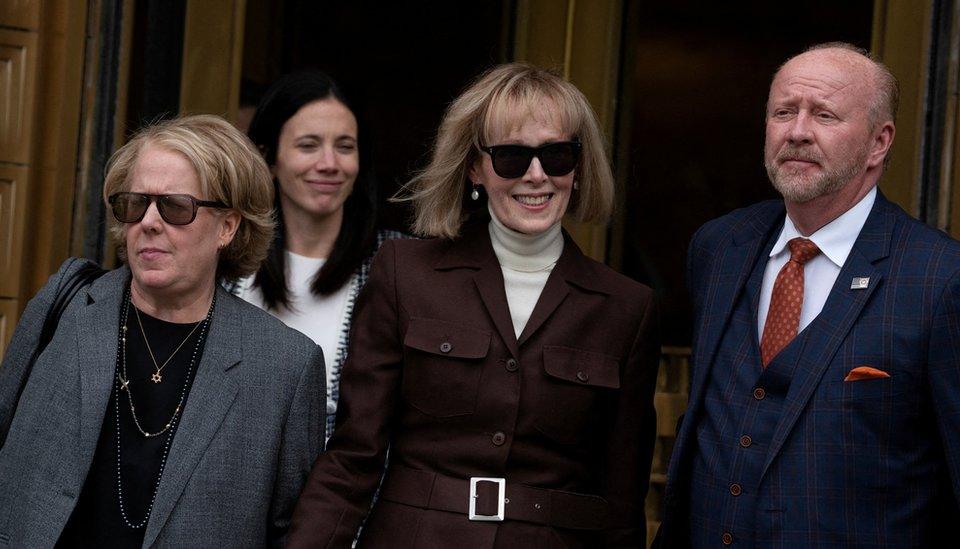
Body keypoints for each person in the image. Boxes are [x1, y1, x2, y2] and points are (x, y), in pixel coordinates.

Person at [287, 63, 660, 548]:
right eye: (510, 157)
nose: (536, 175)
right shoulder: (406, 273)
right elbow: (354, 456)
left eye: (557, 155)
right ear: (474, 167)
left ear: (579, 165)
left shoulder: (626, 309)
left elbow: (621, 501)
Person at [655, 43, 960, 547]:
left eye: (824, 114)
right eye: (783, 112)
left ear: (879, 143)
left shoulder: (940, 279)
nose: (797, 132)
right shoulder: (719, 248)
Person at [0, 115, 325, 547]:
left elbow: (292, 530)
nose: (148, 221)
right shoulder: (66, 306)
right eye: (134, 203)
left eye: (175, 207)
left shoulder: (285, 365)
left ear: (227, 226)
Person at [234, 70, 407, 439]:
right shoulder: (228, 262)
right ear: (268, 158)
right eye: (308, 145)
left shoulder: (399, 266)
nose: (329, 163)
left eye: (345, 146)